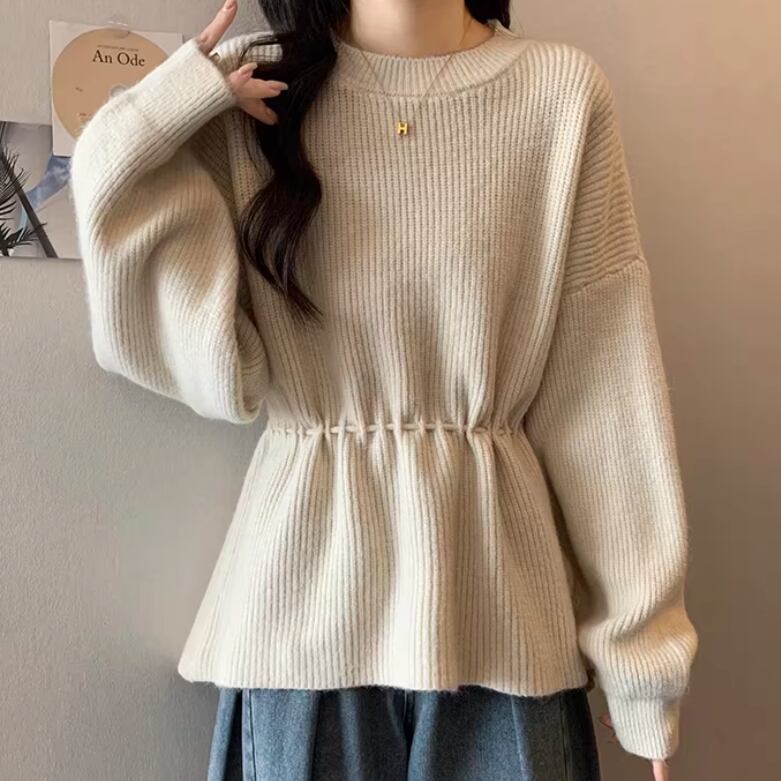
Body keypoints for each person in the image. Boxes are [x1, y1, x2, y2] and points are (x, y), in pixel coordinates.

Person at [69, 0, 699, 778]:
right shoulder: (256, 86)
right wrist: (174, 100)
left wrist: (642, 661)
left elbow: (603, 389)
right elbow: (183, 347)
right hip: (298, 624)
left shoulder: (558, 93)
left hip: (501, 618)